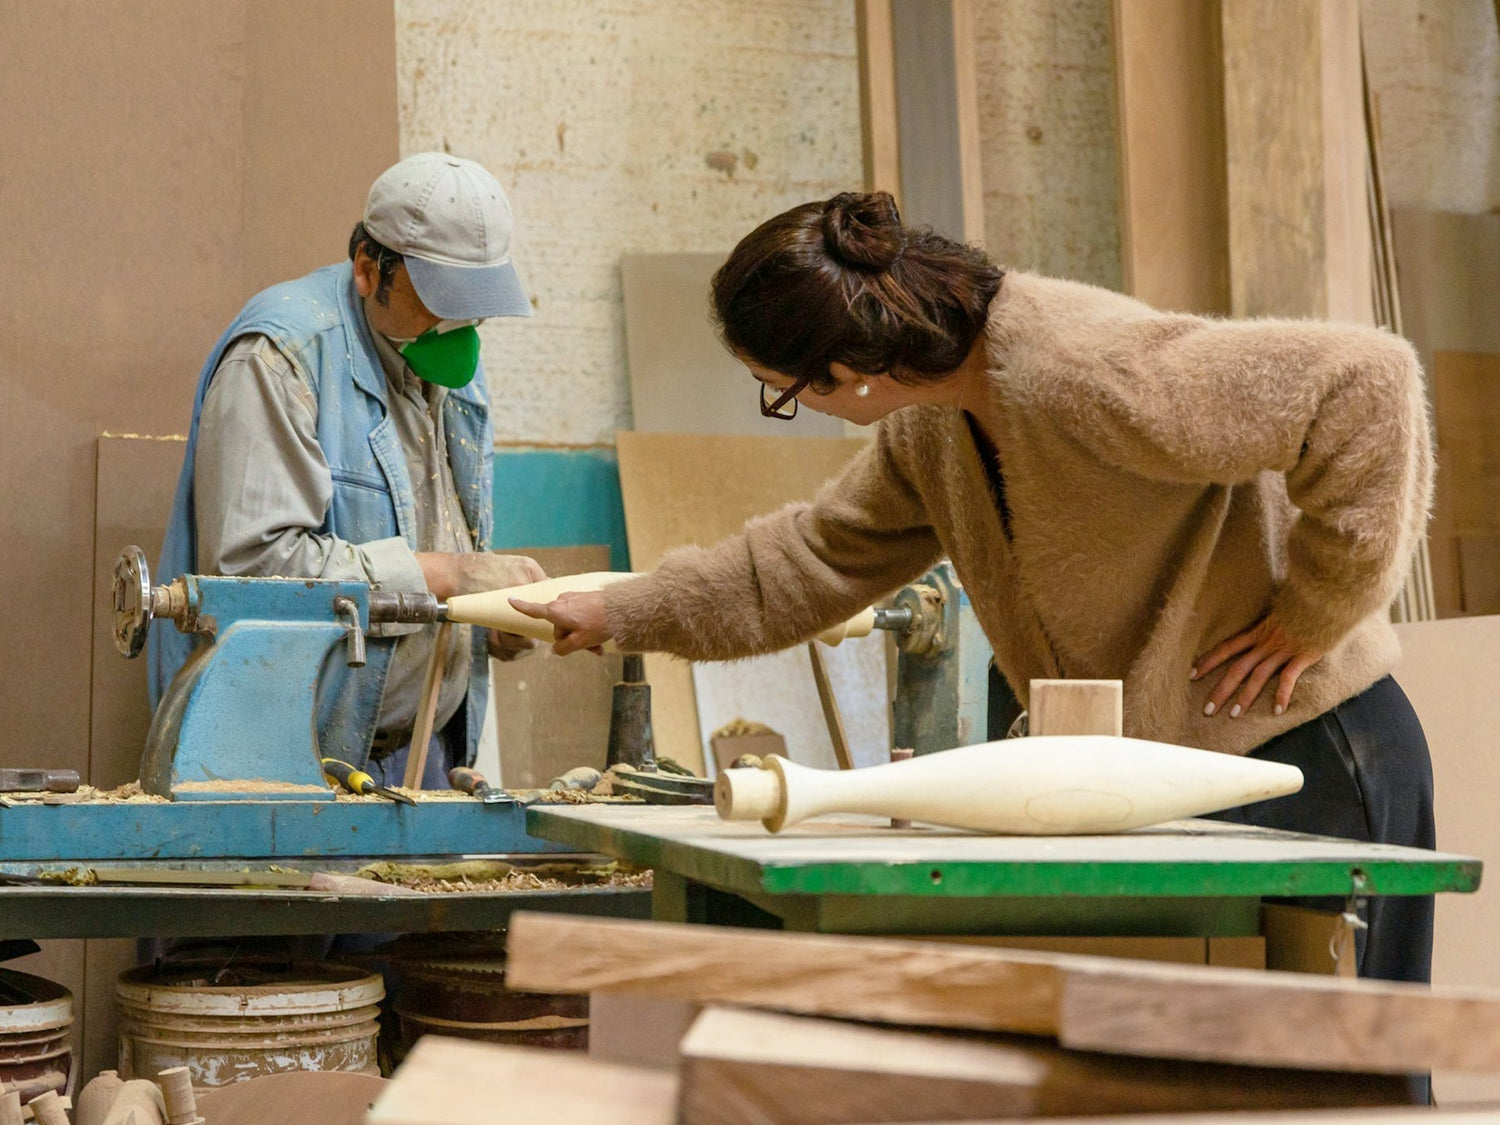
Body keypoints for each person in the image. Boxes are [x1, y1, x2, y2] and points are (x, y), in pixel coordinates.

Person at [514, 191, 1437, 986]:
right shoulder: (934, 425)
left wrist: (1317, 610)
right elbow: (812, 559)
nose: (796, 413)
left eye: (782, 392)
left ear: (849, 373)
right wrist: (619, 611)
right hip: (1177, 774)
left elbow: (1364, 382)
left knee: (1351, 1081)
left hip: (1307, 747)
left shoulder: (1080, 369)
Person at [151, 152, 545, 788]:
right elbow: (251, 571)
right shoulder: (280, 361)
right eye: (444, 300)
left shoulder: (450, 367)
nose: (460, 325)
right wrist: (451, 574)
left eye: (477, 306)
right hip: (285, 761)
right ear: (368, 267)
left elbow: (438, 537)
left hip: (423, 754)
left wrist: (487, 621)